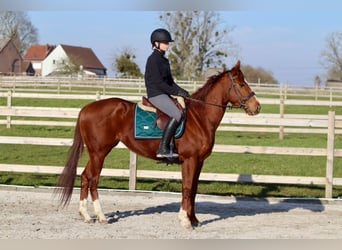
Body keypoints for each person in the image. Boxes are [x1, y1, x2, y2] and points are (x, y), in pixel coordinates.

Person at [144, 28, 190, 159]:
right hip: (156, 94)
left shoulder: (164, 60)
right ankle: (163, 148)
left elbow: (170, 82)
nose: (168, 44)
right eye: (165, 42)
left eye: (168, 42)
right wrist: (175, 91)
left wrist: (182, 91)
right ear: (156, 43)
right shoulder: (153, 59)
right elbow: (159, 82)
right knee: (177, 114)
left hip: (164, 93)